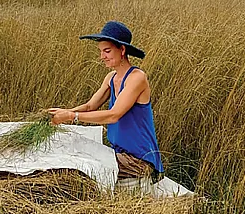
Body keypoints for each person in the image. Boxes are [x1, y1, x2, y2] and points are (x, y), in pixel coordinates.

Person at [48, 21, 164, 183]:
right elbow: (90, 106)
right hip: (118, 153)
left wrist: (71, 116)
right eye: (101, 51)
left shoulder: (137, 78)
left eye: (107, 51)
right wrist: (61, 113)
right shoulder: (111, 78)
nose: (102, 56)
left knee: (76, 168)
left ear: (122, 50)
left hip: (138, 159)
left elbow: (113, 115)